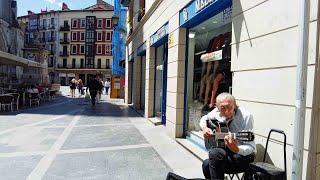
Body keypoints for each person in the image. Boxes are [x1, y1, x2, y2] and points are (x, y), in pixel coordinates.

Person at [199, 92, 256, 180]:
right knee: (206, 164)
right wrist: (204, 128)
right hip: (226, 153)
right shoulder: (216, 112)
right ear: (217, 108)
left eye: (230, 107)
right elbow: (204, 118)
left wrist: (237, 149)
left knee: (215, 154)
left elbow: (251, 147)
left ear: (235, 105)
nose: (227, 111)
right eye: (222, 109)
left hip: (244, 157)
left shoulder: (246, 116)